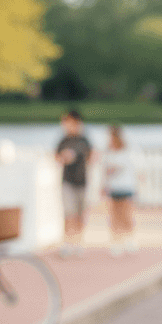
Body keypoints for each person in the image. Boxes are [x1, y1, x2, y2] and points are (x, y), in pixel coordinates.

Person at [55, 109, 94, 257]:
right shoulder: (63, 140)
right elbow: (57, 156)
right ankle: (67, 242)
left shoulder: (84, 140)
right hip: (67, 181)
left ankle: (78, 242)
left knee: (80, 213)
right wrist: (63, 157)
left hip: (82, 181)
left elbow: (91, 156)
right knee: (68, 213)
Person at [102, 123, 139, 256]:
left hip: (126, 186)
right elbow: (105, 170)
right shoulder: (108, 152)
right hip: (113, 187)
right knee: (114, 216)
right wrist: (103, 185)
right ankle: (116, 241)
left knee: (126, 215)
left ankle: (129, 239)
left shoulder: (127, 151)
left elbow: (123, 167)